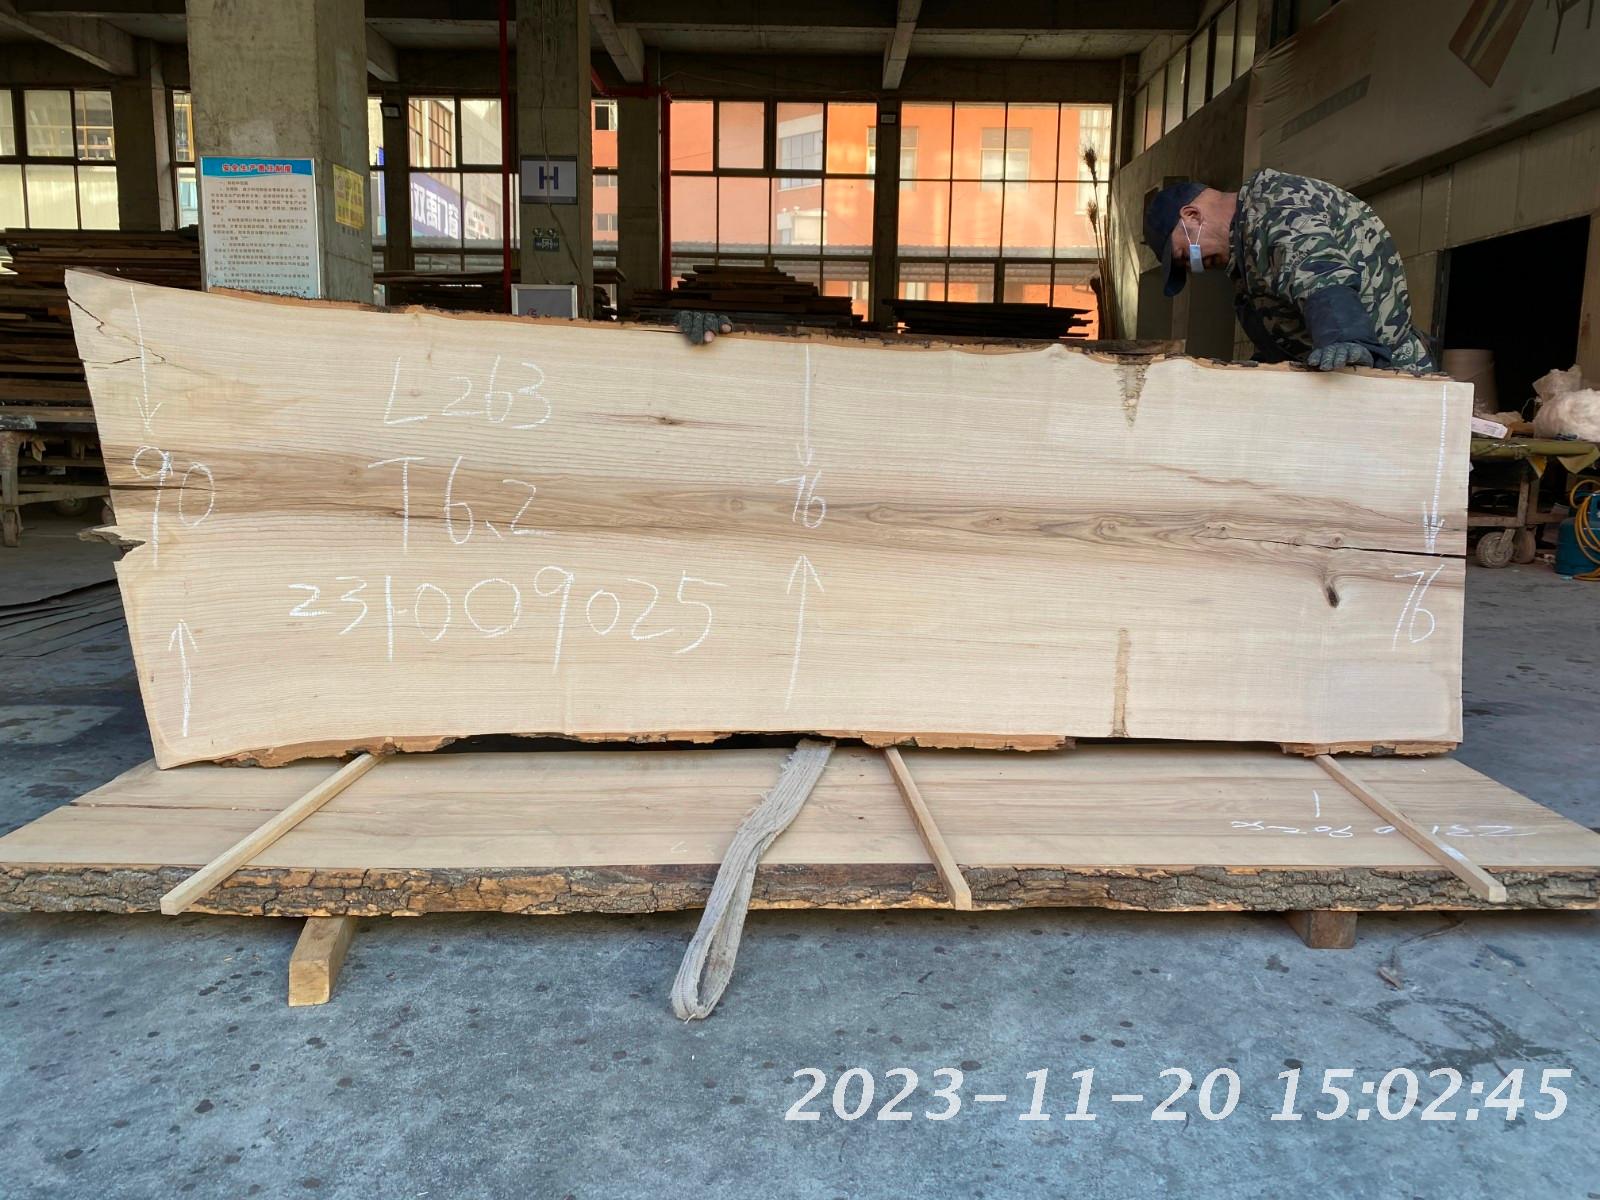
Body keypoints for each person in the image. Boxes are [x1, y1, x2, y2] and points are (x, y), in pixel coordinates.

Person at [1144, 169, 1436, 373]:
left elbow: (1320, 274)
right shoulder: (1244, 246)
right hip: (1343, 381)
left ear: (1192, 216)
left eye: (1185, 256)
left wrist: (1346, 339)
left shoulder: (1274, 210)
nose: (1195, 267)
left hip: (1386, 376)